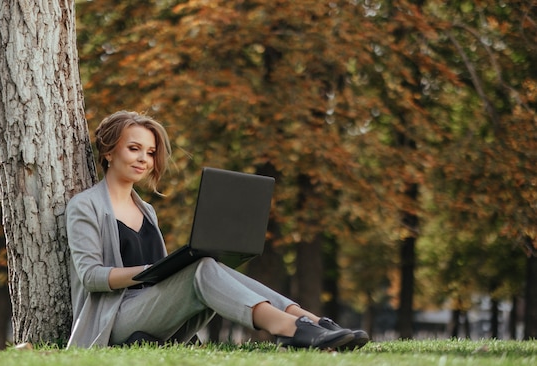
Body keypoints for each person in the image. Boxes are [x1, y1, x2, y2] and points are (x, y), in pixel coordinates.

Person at [66, 110, 369, 350]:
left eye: (150, 152)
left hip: (155, 312)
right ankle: (289, 329)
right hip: (113, 321)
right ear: (108, 152)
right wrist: (152, 270)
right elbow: (91, 277)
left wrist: (166, 270)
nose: (144, 159)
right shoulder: (85, 206)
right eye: (134, 149)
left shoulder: (147, 210)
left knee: (209, 263)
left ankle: (313, 322)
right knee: (199, 267)